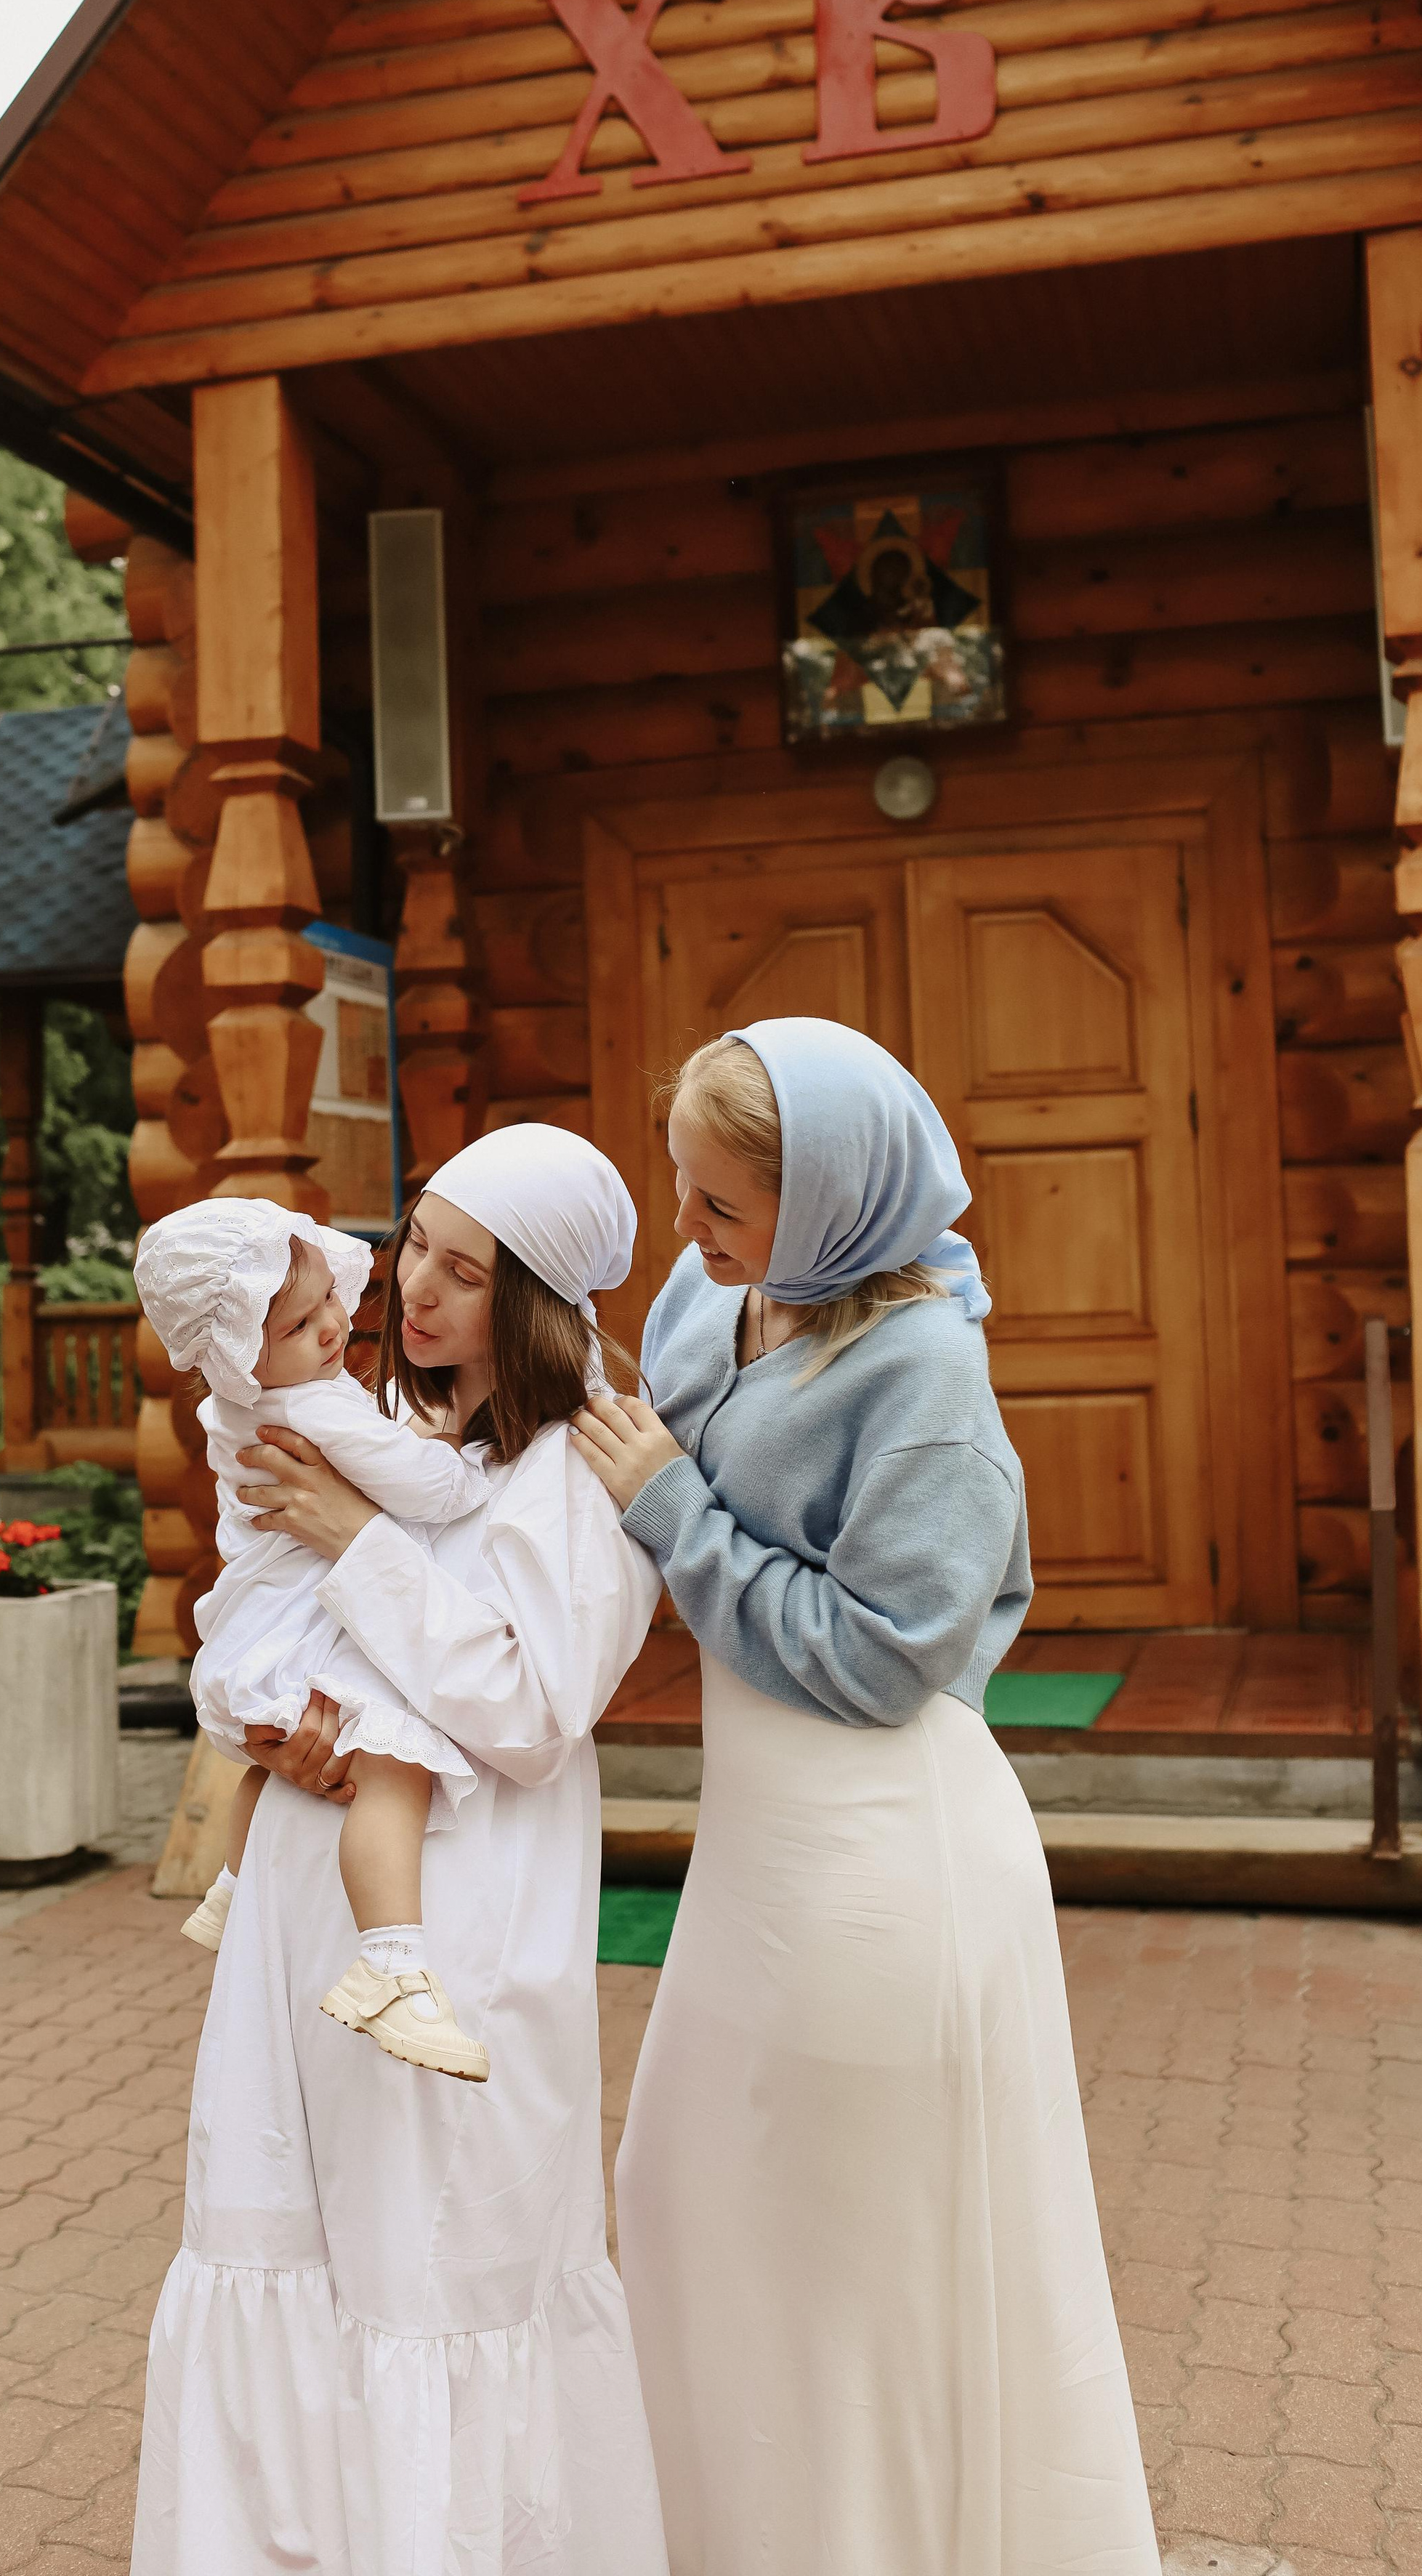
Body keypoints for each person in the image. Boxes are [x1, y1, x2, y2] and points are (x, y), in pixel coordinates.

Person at [573, 1017, 1160, 2576]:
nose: (686, 1240)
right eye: (680, 1194)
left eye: (718, 1206)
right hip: (758, 1856)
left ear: (830, 1197)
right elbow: (653, 1426)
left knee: (851, 2268)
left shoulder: (926, 1377)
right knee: (692, 2202)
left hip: (876, 1865)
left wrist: (666, 1511)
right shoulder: (732, 1296)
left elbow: (883, 1655)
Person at [129, 1125, 670, 2576]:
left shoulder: (580, 1465)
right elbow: (276, 1631)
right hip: (310, 1907)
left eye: (463, 1269)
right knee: (292, 2255)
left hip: (466, 1932)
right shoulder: (389, 1420)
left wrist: (360, 1540)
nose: (414, 1289)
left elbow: (529, 1705)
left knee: (434, 2273)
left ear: (541, 1300)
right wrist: (277, 1731)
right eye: (416, 1242)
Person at [133, 1197, 490, 2080]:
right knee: (395, 1768)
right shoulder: (309, 1408)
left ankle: (231, 1886)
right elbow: (427, 1491)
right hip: (296, 1642)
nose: (333, 1323)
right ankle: (392, 1965)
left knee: (263, 1770)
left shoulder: (238, 1405)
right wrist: (449, 1450)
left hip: (250, 1642)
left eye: (326, 1298)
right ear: (239, 1358)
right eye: (297, 1323)